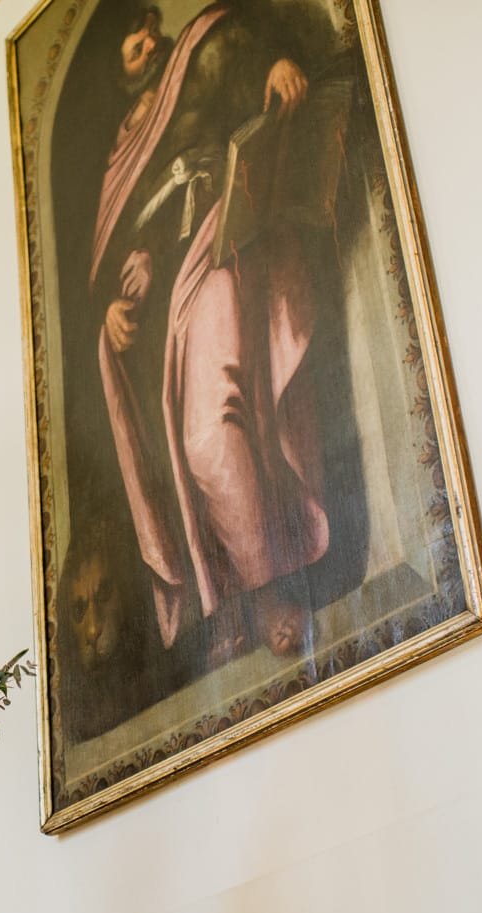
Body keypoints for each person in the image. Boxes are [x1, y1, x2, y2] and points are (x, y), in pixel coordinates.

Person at [89, 2, 340, 659]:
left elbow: (237, 62)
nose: (145, 42)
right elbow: (116, 249)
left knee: (209, 436)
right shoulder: (117, 146)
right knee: (181, 458)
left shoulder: (195, 59)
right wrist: (112, 307)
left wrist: (274, 68)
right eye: (129, 39)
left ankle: (275, 586)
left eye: (148, 27)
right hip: (158, 315)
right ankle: (228, 594)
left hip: (220, 239)